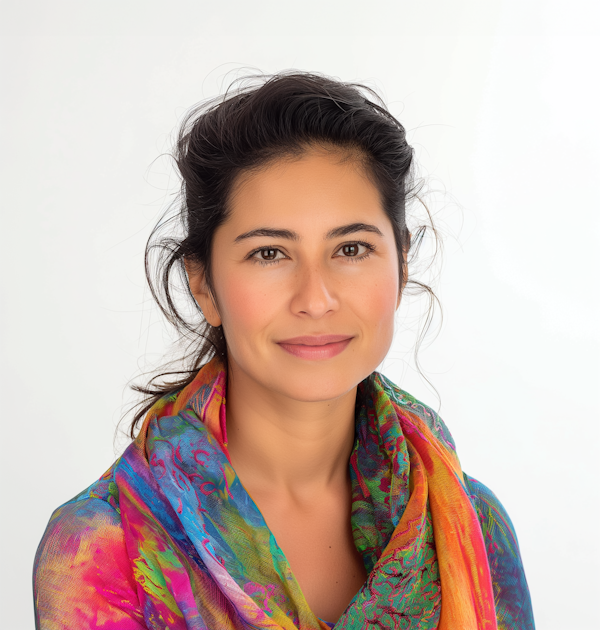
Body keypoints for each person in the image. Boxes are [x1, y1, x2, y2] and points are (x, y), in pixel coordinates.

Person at [33, 72, 535, 630]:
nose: (315, 299)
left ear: (402, 266)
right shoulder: (104, 542)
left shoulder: (468, 522)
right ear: (204, 286)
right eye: (270, 253)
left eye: (351, 248)